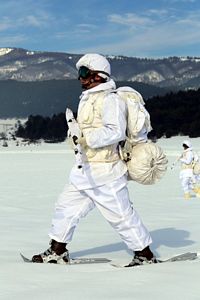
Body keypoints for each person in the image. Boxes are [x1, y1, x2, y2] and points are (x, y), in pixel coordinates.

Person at [32, 53, 157, 267]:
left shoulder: (111, 99)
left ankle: (144, 254)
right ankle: (57, 251)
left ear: (99, 75)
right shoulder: (88, 98)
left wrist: (86, 137)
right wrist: (75, 133)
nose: (80, 78)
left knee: (120, 215)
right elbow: (87, 131)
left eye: (84, 72)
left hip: (107, 171)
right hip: (84, 170)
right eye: (79, 73)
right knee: (65, 208)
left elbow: (115, 131)